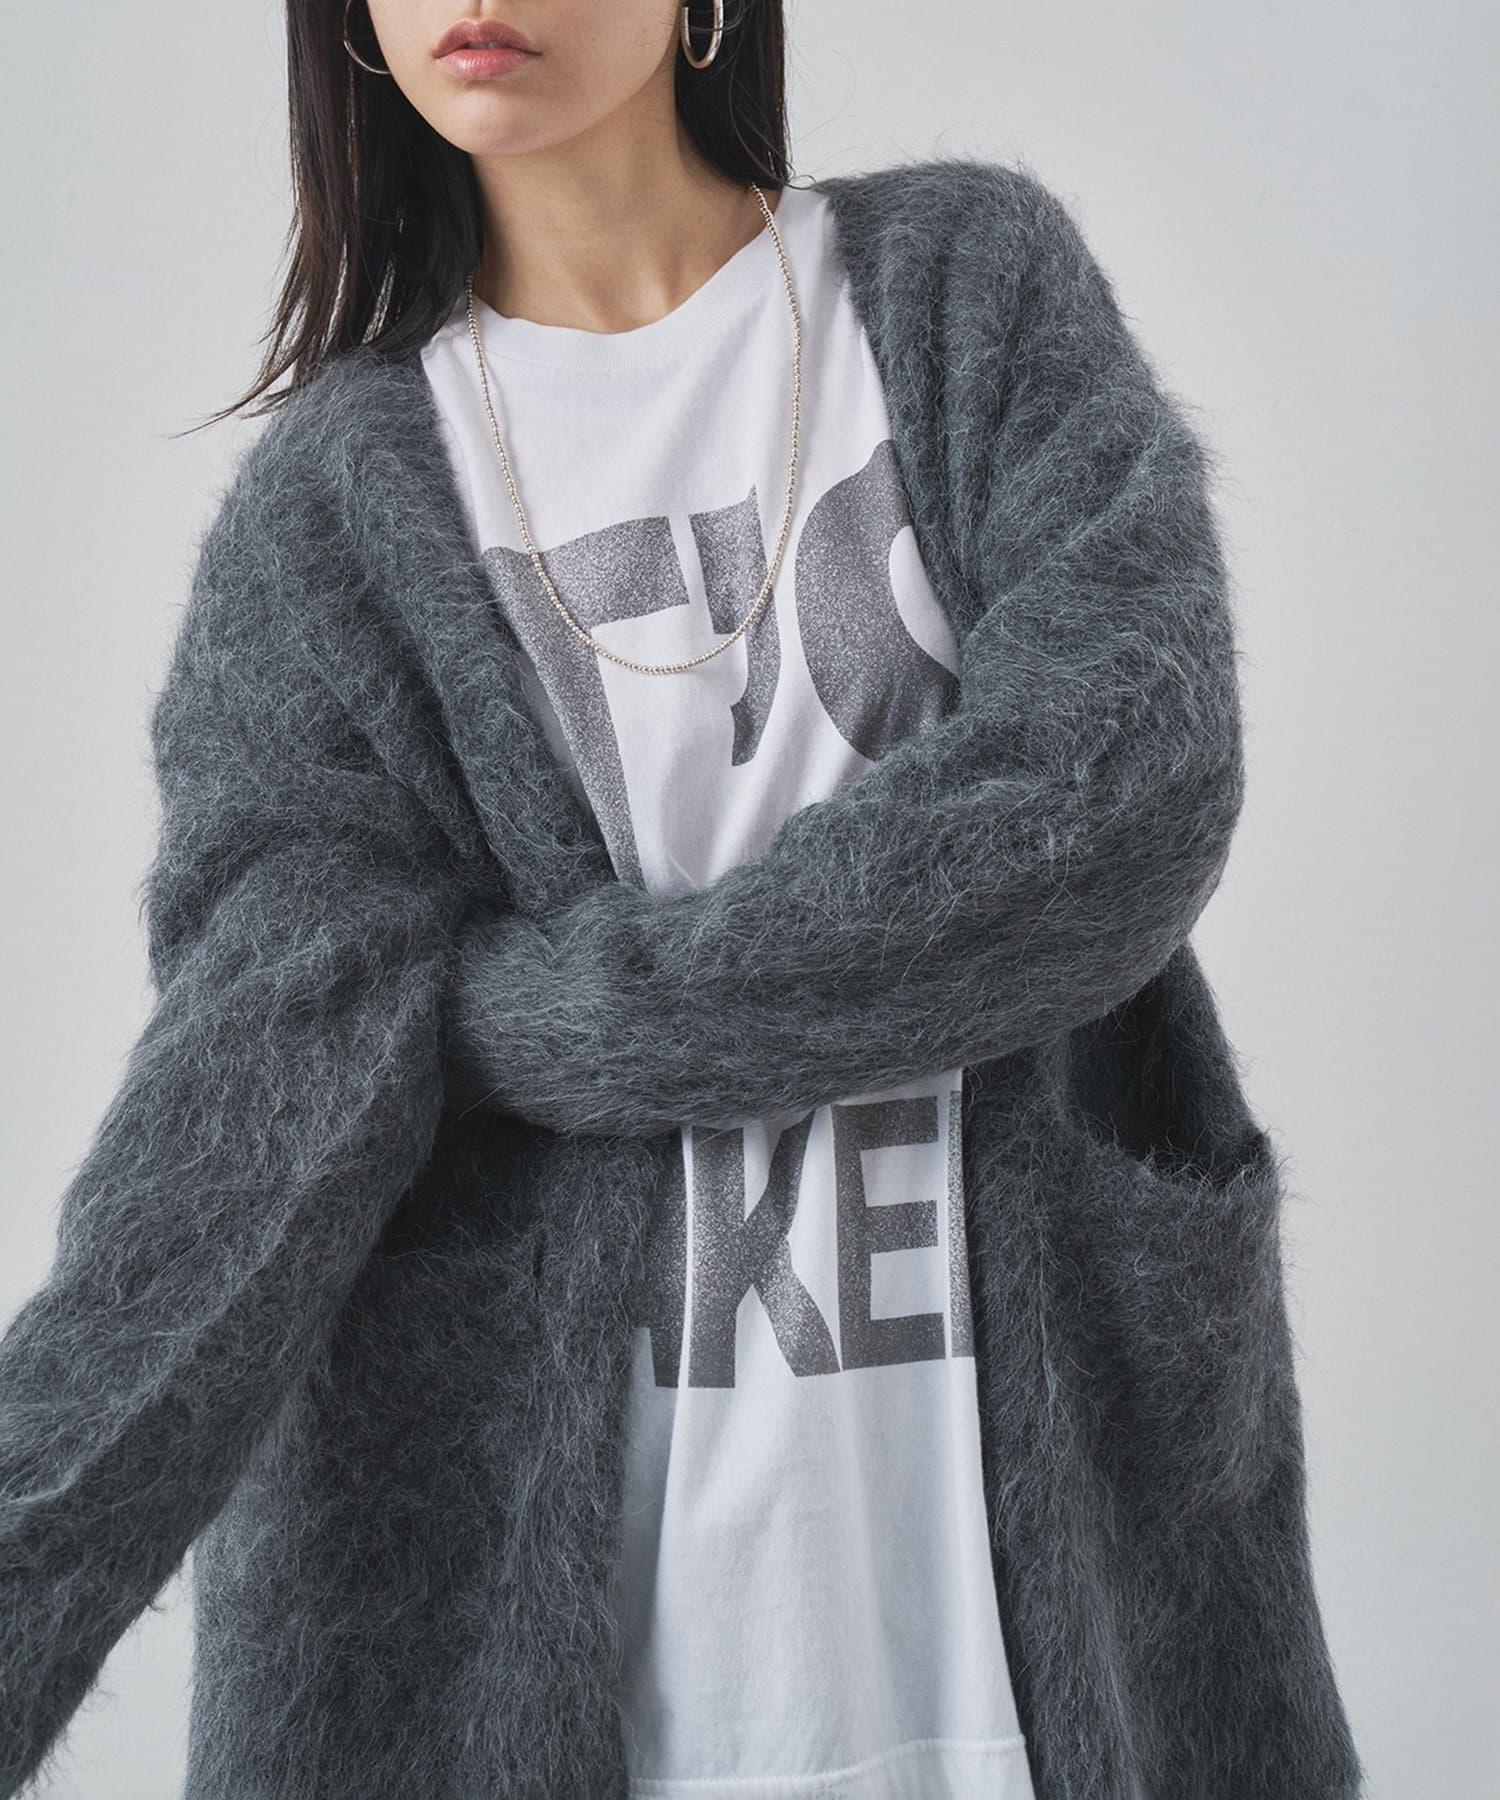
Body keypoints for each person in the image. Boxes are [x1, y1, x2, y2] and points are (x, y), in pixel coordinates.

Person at [0, 3, 1361, 1797]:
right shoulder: (327, 524)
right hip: (552, 1649)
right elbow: (237, 1123)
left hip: (1025, 1591)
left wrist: (517, 1016)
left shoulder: (963, 290)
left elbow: (1120, 791)